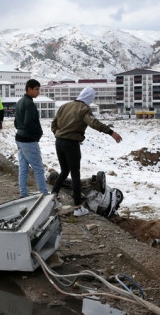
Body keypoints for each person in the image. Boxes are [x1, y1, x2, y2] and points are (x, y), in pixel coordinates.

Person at [51, 87, 122, 217]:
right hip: (71, 144)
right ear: (89, 98)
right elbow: (93, 123)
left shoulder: (65, 106)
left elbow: (54, 123)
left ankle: (52, 198)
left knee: (64, 171)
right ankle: (78, 208)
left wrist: (58, 134)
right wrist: (111, 132)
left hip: (59, 142)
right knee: (75, 175)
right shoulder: (84, 109)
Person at [14, 79, 49, 197]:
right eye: (36, 89)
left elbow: (16, 122)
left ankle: (23, 193)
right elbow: (29, 123)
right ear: (29, 89)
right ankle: (44, 193)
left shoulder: (19, 102)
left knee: (23, 168)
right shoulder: (29, 103)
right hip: (28, 140)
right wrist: (38, 133)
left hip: (19, 137)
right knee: (38, 168)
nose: (38, 92)